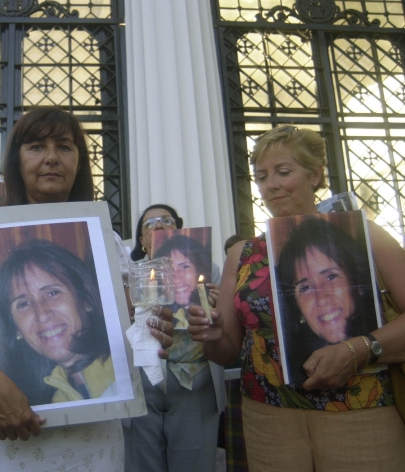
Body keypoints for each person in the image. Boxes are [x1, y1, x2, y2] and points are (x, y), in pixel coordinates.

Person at [0, 107, 173, 471]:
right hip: (2, 441)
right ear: (16, 161)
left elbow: (130, 328)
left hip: (92, 442)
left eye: (65, 147)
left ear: (79, 162)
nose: (52, 158)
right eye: (37, 146)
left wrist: (155, 330)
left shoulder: (107, 241)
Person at [187, 124, 405, 472]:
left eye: (283, 172)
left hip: (360, 414)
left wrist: (356, 349)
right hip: (269, 420)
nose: (270, 184)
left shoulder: (363, 234)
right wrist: (211, 336)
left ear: (315, 174)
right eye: (261, 176)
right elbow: (227, 350)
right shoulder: (243, 254)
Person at [124, 206, 226, 472]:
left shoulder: (209, 270)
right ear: (143, 241)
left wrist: (215, 307)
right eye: (151, 223)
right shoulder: (129, 275)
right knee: (142, 462)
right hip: (144, 383)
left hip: (195, 384)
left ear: (179, 229)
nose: (159, 225)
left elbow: (223, 326)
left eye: (166, 221)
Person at [0, 238, 115, 406]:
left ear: (85, 300)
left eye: (52, 293)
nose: (41, 314)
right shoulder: (53, 402)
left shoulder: (128, 369)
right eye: (23, 304)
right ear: (16, 330)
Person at [277, 217, 377, 385]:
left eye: (331, 276)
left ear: (356, 282)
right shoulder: (292, 367)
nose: (321, 299)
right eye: (305, 287)